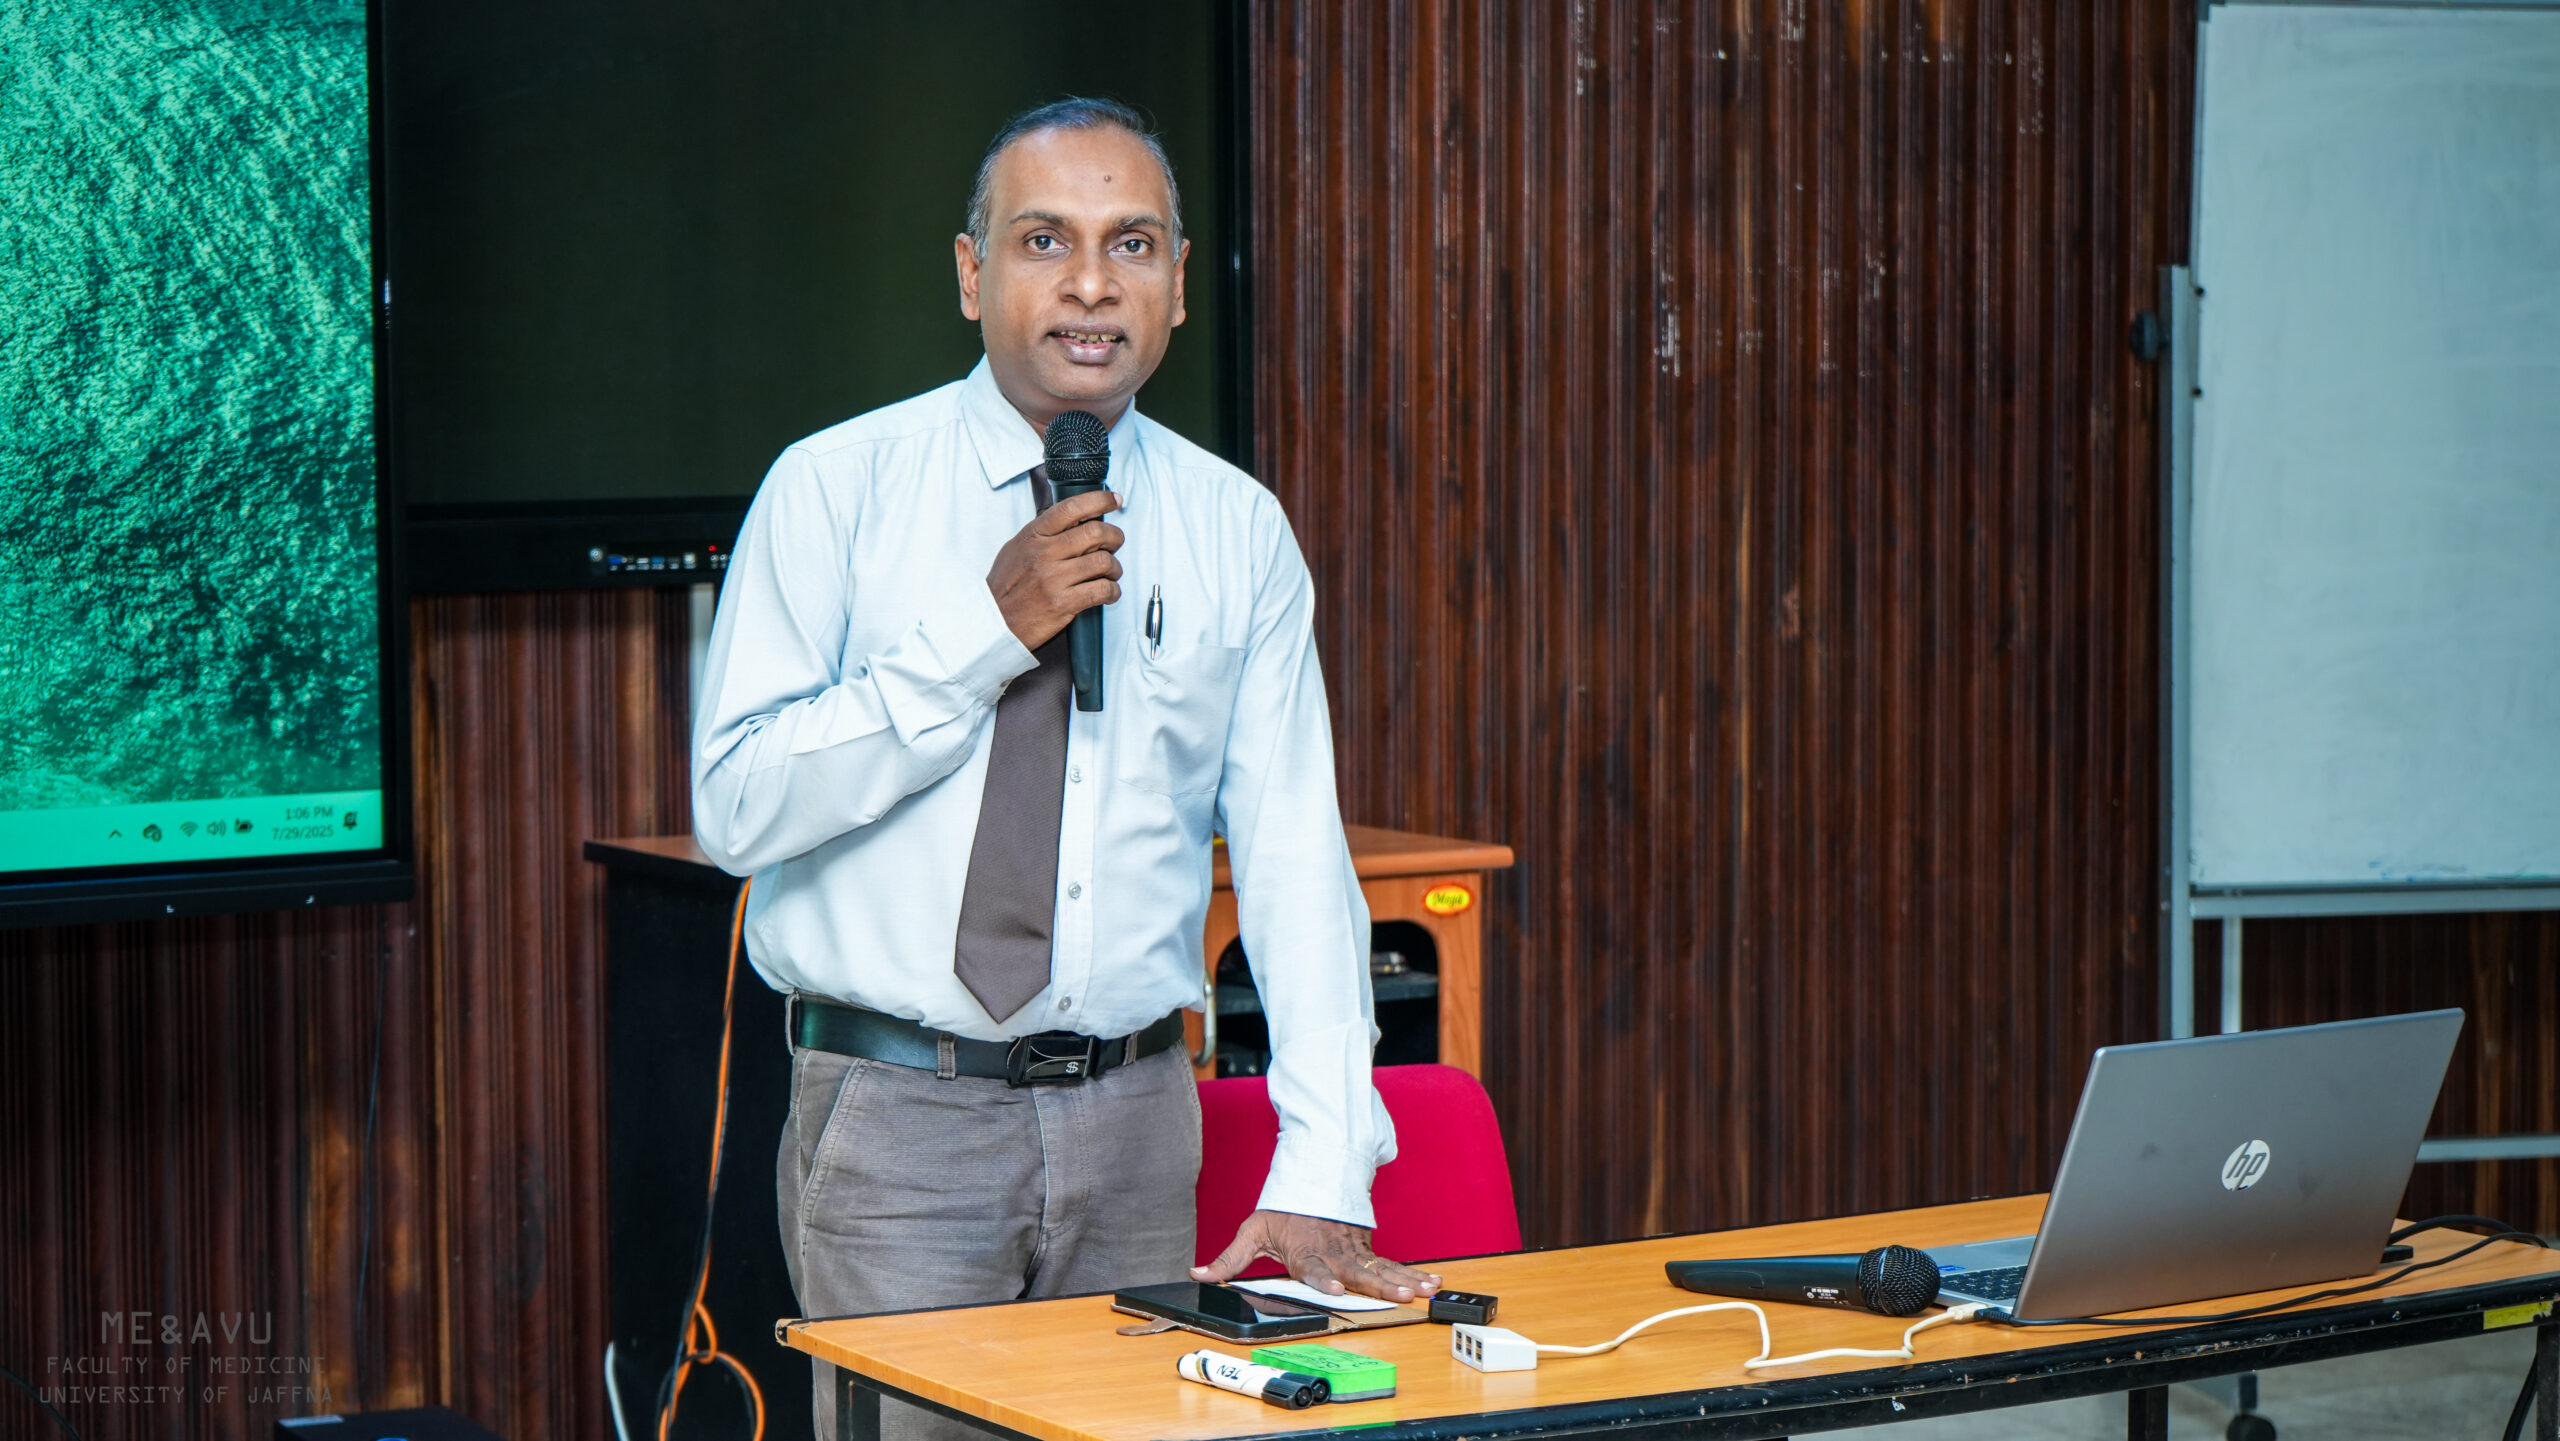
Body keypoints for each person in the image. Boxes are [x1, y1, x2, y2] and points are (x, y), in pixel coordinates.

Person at [691, 97, 1437, 1439]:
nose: (1092, 284)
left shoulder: (1237, 528)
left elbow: (1291, 859)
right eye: (1045, 240)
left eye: (1131, 244)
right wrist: (987, 635)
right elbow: (738, 807)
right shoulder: (833, 488)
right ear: (971, 273)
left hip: (1138, 1120)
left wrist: (1326, 1158)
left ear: (1178, 286)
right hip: (900, 1116)